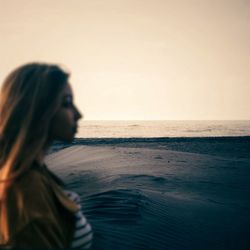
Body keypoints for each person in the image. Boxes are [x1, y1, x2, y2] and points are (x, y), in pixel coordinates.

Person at [0, 63, 93, 249]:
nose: (78, 114)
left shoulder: (35, 173)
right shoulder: (27, 189)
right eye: (66, 103)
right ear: (38, 111)